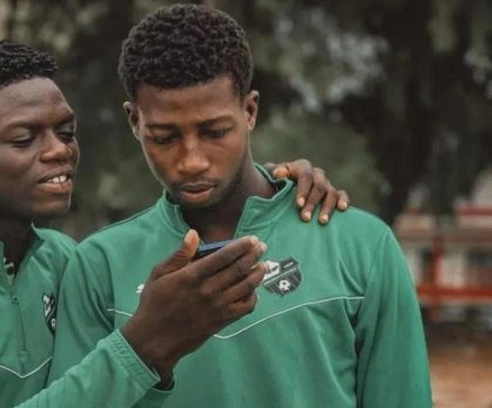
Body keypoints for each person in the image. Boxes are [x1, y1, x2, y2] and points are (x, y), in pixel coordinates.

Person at [0, 41, 347, 407]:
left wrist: (269, 190)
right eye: (24, 139)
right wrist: (143, 345)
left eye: (66, 132)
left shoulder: (66, 262)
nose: (60, 152)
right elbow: (129, 362)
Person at [48, 4, 432, 408]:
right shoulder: (99, 266)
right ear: (134, 122)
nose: (192, 160)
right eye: (164, 137)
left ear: (249, 111)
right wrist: (151, 341)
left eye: (214, 132)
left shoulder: (361, 246)